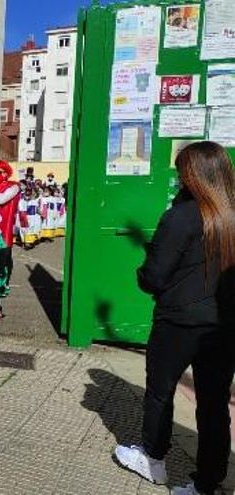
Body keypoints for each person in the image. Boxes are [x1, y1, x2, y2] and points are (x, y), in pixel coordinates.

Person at [115, 142, 235, 495]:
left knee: (161, 391)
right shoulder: (229, 215)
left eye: (181, 170)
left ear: (193, 175)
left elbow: (153, 276)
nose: (178, 175)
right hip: (225, 326)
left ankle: (153, 459)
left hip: (179, 322)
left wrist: (143, 273)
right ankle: (206, 484)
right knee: (214, 404)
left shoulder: (181, 216)